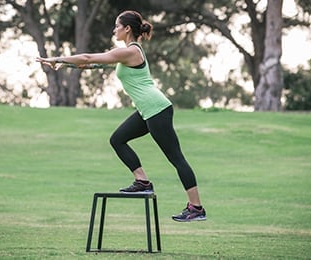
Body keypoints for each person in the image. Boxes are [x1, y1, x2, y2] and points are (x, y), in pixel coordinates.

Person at [36, 10, 206, 222]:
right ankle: (142, 182)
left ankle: (196, 208)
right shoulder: (126, 53)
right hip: (147, 110)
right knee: (117, 140)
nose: (114, 29)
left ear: (127, 29)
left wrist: (56, 57)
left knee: (176, 159)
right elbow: (92, 63)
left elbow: (89, 56)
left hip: (156, 109)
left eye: (117, 26)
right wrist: (65, 64)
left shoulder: (130, 52)